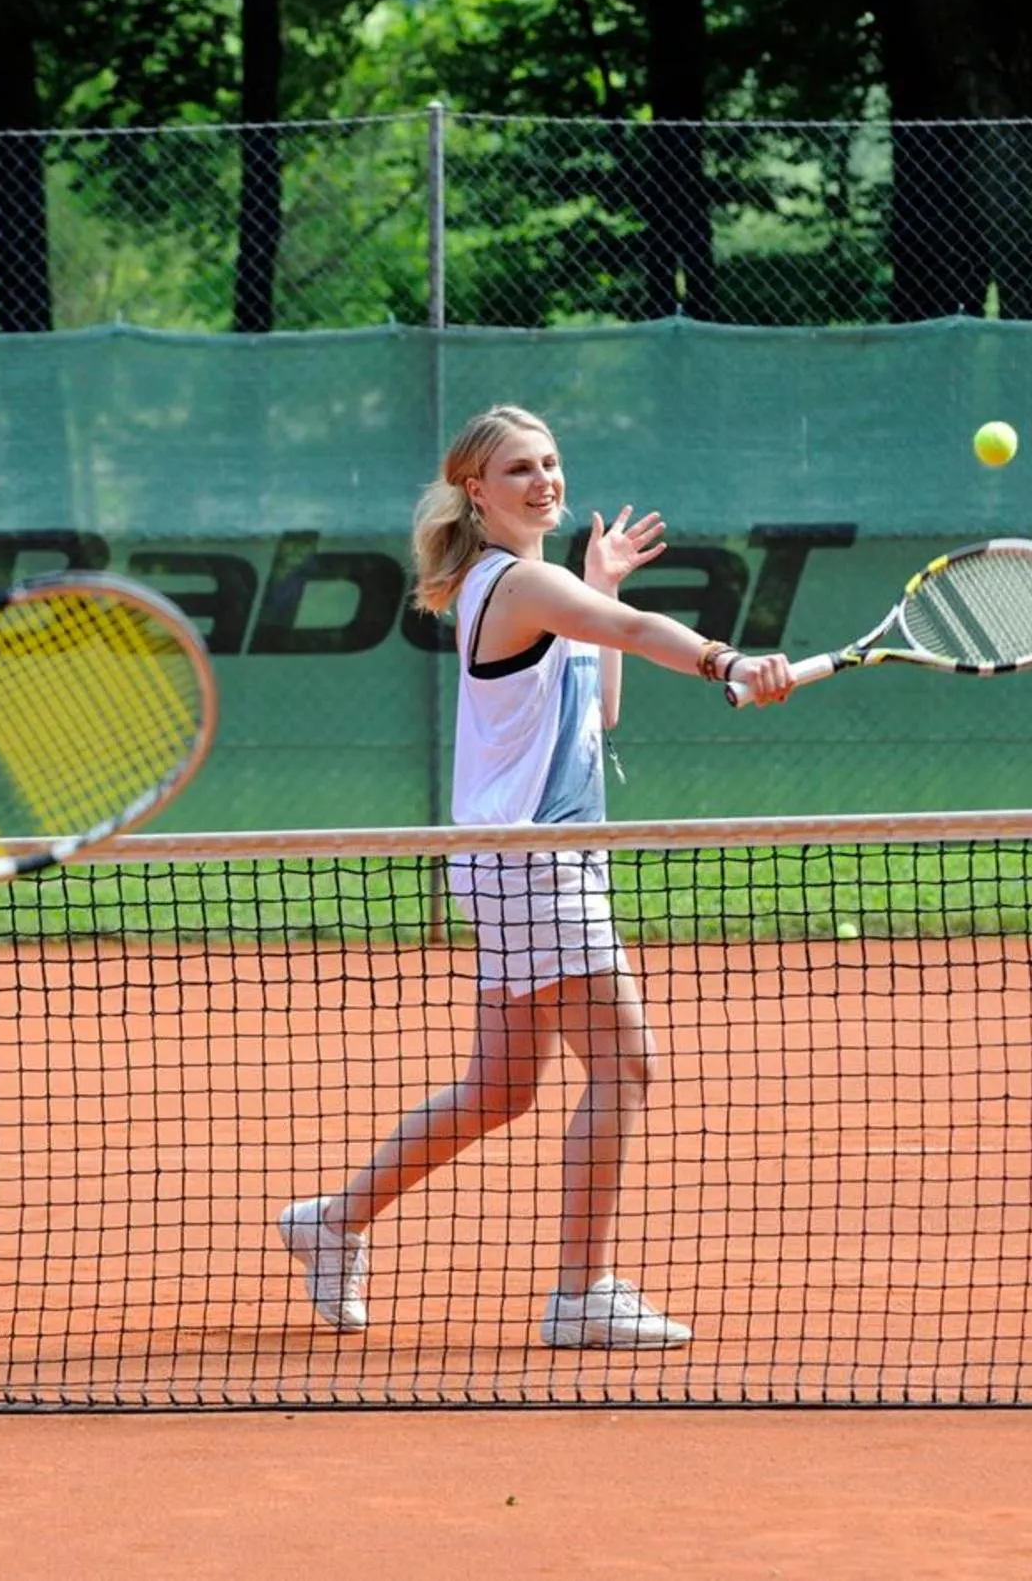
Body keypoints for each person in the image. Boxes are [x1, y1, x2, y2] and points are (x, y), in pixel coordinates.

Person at [277, 403, 792, 1349]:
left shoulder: (528, 586)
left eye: (551, 462)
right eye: (518, 469)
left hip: (514, 864)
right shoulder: (512, 582)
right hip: (536, 868)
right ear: (476, 491)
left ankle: (332, 1220)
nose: (544, 481)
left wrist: (595, 585)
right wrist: (727, 658)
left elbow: (600, 713)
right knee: (625, 1065)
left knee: (500, 1089)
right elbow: (637, 629)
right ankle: (579, 1293)